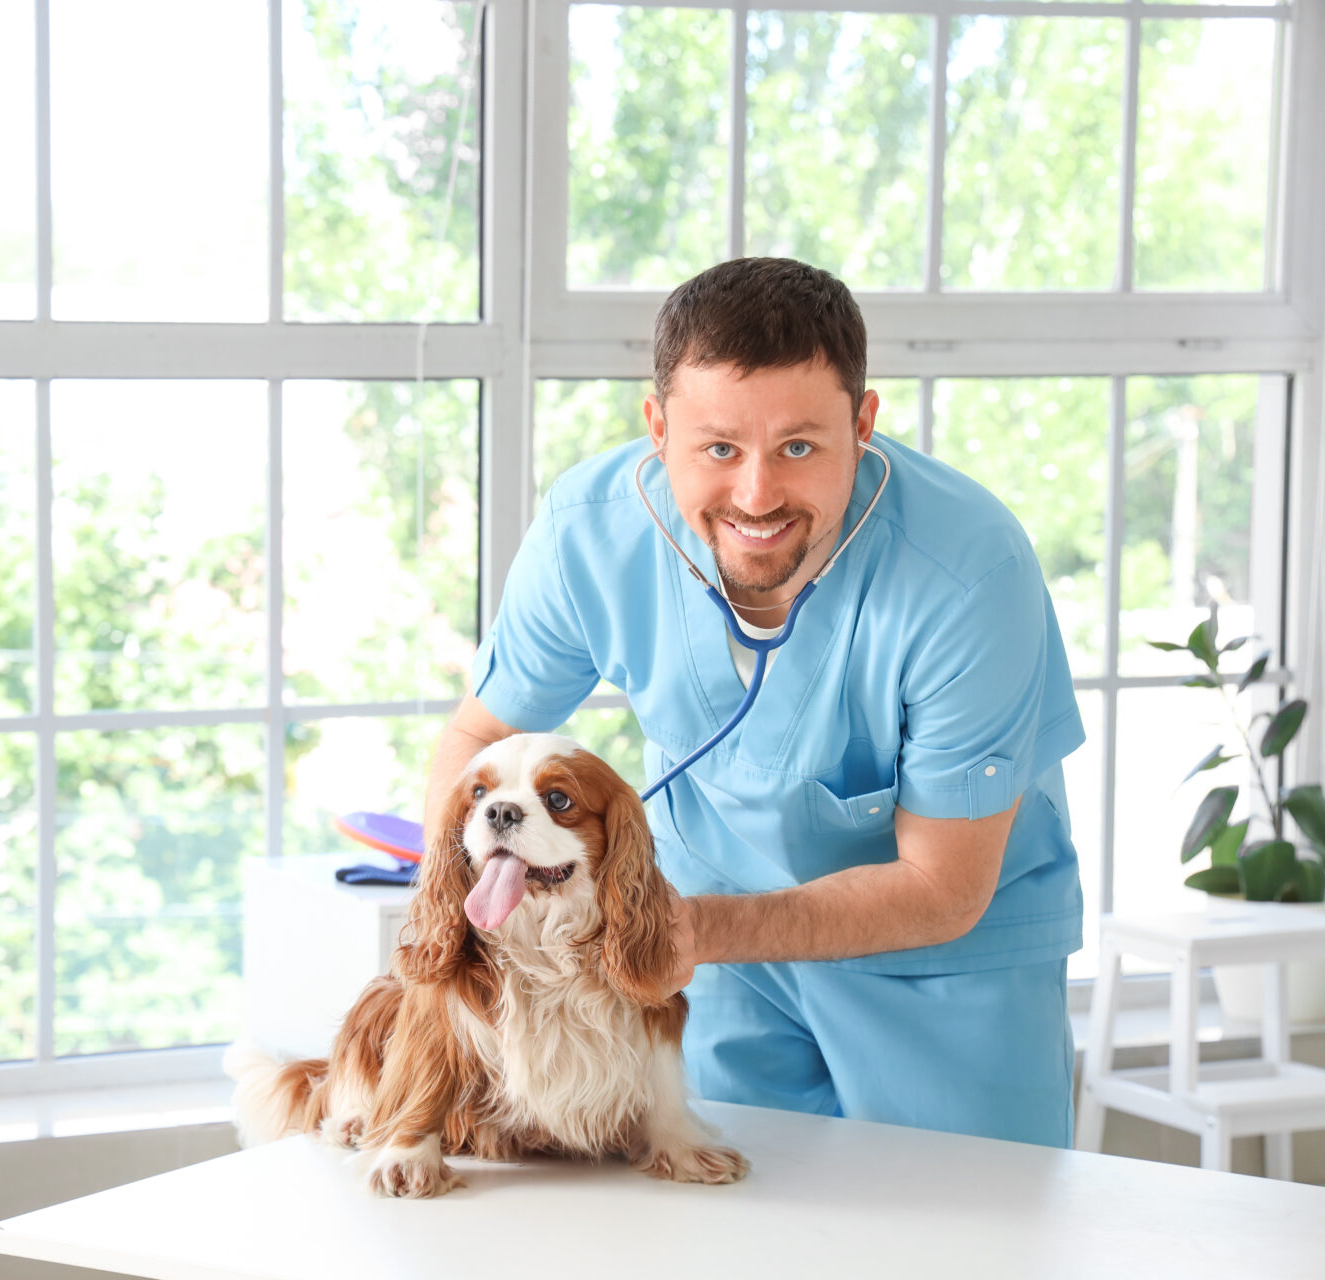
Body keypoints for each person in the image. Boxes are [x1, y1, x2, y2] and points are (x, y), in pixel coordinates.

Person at [424, 257, 1085, 1148]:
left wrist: (682, 928)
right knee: (729, 1223)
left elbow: (940, 885)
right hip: (722, 948)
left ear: (863, 423)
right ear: (658, 429)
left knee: (960, 1238)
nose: (758, 494)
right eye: (719, 448)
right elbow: (481, 732)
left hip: (942, 966)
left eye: (800, 447)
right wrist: (455, 919)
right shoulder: (589, 532)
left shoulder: (967, 574)